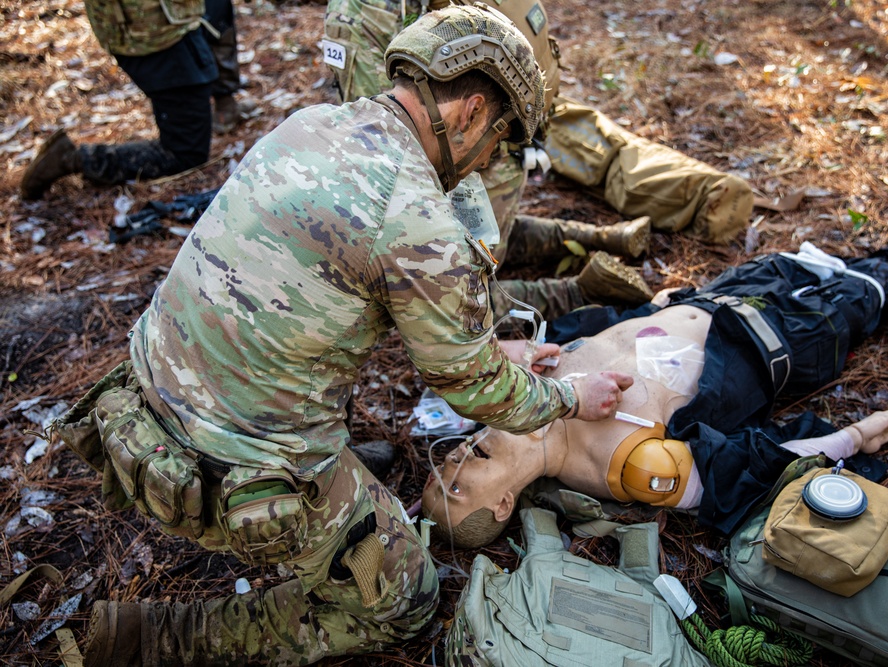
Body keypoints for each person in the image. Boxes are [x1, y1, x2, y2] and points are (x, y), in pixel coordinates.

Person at [72, 6, 634, 665]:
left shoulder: (311, 125)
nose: (491, 162)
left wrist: (481, 352)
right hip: (232, 465)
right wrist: (573, 395)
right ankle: (164, 637)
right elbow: (476, 392)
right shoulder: (417, 211)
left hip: (141, 407)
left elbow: (341, 292)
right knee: (410, 599)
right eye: (502, 142)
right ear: (474, 111)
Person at [422, 183, 888, 548]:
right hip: (781, 341)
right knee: (874, 292)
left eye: (441, 464)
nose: (454, 459)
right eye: (457, 485)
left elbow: (595, 337)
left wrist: (648, 309)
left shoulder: (529, 390)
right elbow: (743, 467)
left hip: (716, 301)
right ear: (503, 504)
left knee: (811, 264)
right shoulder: (627, 466)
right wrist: (850, 437)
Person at [323, 0, 754, 319]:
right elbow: (393, 146)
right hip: (465, 148)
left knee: (478, 252)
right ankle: (581, 287)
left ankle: (597, 240)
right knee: (457, 292)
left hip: (490, 141)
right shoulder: (369, 12)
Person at [19, 0, 246, 201]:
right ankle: (74, 159)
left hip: (175, 19)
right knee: (186, 154)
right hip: (154, 31)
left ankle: (226, 104)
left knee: (217, 9)